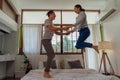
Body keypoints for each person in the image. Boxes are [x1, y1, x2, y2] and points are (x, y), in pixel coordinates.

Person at [42, 10, 69, 78]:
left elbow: (57, 32)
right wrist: (63, 28)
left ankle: (47, 69)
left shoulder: (52, 23)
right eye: (54, 14)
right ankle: (46, 72)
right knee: (51, 55)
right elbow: (51, 28)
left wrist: (65, 33)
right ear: (50, 15)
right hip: (45, 40)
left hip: (48, 40)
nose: (55, 16)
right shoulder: (47, 21)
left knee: (51, 55)